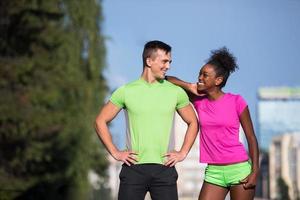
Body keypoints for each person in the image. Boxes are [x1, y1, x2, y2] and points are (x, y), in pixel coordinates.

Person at [94, 40, 199, 200]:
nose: (168, 66)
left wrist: (183, 152)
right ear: (149, 61)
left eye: (170, 62)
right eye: (164, 61)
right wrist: (115, 152)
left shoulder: (176, 92)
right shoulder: (126, 91)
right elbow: (100, 121)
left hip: (165, 170)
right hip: (133, 169)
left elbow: (193, 122)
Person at [166, 47, 259, 200]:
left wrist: (255, 171)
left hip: (239, 169)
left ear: (218, 80)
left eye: (205, 75)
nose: (200, 78)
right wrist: (189, 86)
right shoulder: (198, 100)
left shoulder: (237, 101)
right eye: (199, 74)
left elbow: (251, 137)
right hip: (214, 171)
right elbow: (167, 80)